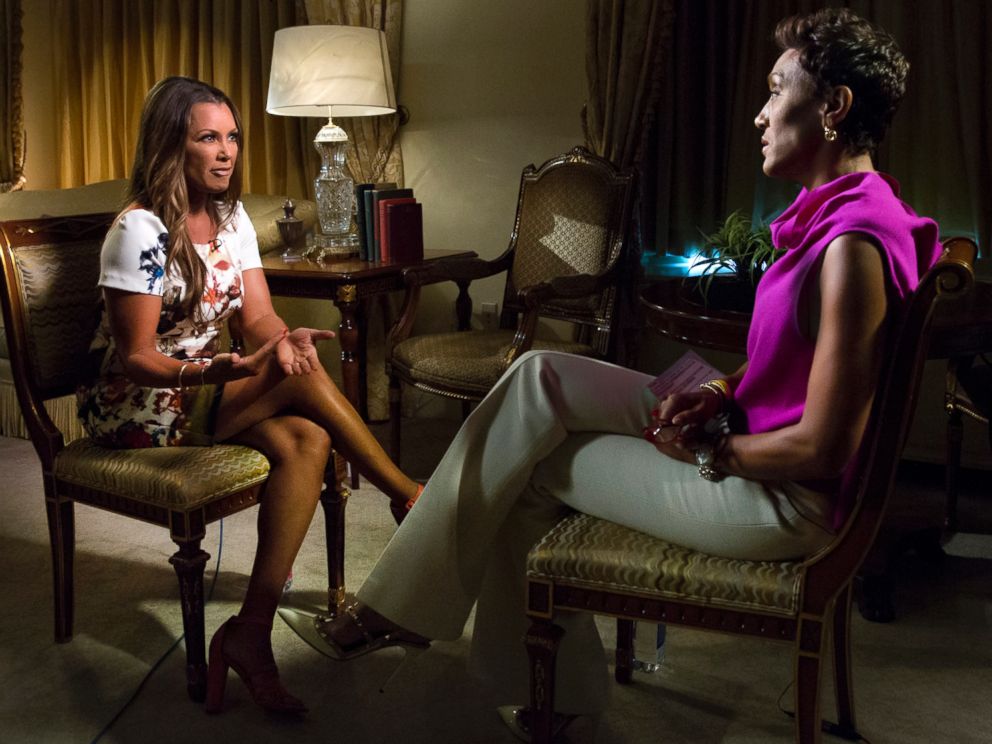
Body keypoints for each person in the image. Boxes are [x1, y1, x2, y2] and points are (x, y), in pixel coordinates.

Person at [281, 7, 941, 735]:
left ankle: (483, 656)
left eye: (777, 91)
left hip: (781, 502)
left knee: (524, 466)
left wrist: (707, 447)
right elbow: (786, 363)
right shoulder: (843, 216)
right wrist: (718, 391)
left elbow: (825, 448)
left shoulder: (853, 246)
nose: (759, 114)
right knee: (538, 376)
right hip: (740, 427)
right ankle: (454, 636)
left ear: (833, 107)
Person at [75, 76, 423, 715]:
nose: (227, 151)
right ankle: (407, 493)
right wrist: (217, 373)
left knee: (308, 435)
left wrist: (283, 339)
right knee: (295, 377)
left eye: (232, 136)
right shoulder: (139, 230)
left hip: (213, 382)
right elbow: (138, 357)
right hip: (138, 401)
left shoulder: (232, 218)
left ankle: (249, 634)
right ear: (171, 145)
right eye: (208, 137)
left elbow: (258, 317)